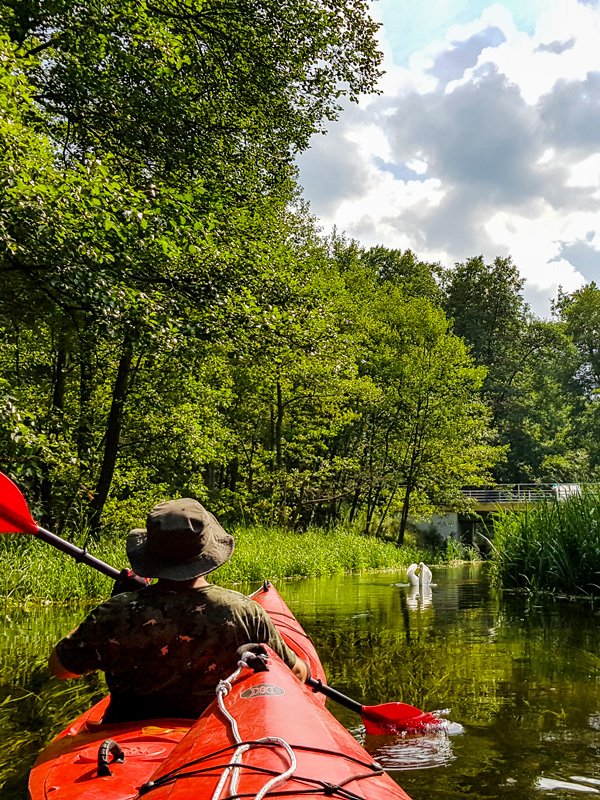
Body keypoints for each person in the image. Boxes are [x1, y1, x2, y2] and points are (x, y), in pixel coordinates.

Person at [49, 498, 308, 722]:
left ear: (151, 554)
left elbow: (61, 668)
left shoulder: (116, 611)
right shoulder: (244, 612)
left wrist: (115, 604)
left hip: (126, 736)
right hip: (211, 738)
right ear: (208, 551)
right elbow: (296, 674)